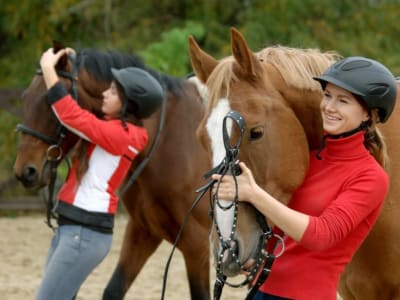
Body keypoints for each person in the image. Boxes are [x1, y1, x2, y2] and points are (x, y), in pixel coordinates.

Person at [211, 56, 397, 300]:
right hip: (260, 291)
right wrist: (254, 251)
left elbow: (321, 236)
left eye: (343, 101)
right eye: (327, 95)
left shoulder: (370, 177)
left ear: (368, 115)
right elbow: (283, 229)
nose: (329, 106)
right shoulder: (307, 159)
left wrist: (254, 194)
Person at [35, 47, 164, 300]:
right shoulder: (116, 129)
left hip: (82, 234)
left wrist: (48, 69)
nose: (106, 93)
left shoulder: (123, 135)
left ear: (129, 103)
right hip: (73, 229)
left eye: (114, 91)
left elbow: (70, 115)